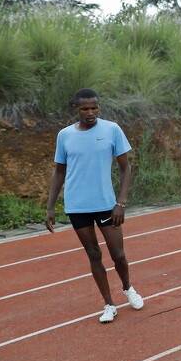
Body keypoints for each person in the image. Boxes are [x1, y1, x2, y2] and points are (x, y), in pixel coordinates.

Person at [46, 88, 144, 323]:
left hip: (106, 205)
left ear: (99, 107)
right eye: (85, 108)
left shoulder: (112, 129)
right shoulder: (65, 135)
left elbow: (125, 168)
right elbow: (59, 171)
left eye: (94, 107)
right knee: (93, 254)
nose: (90, 112)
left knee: (118, 254)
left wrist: (120, 203)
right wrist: (50, 207)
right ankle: (109, 304)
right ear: (76, 109)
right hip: (77, 206)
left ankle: (128, 288)